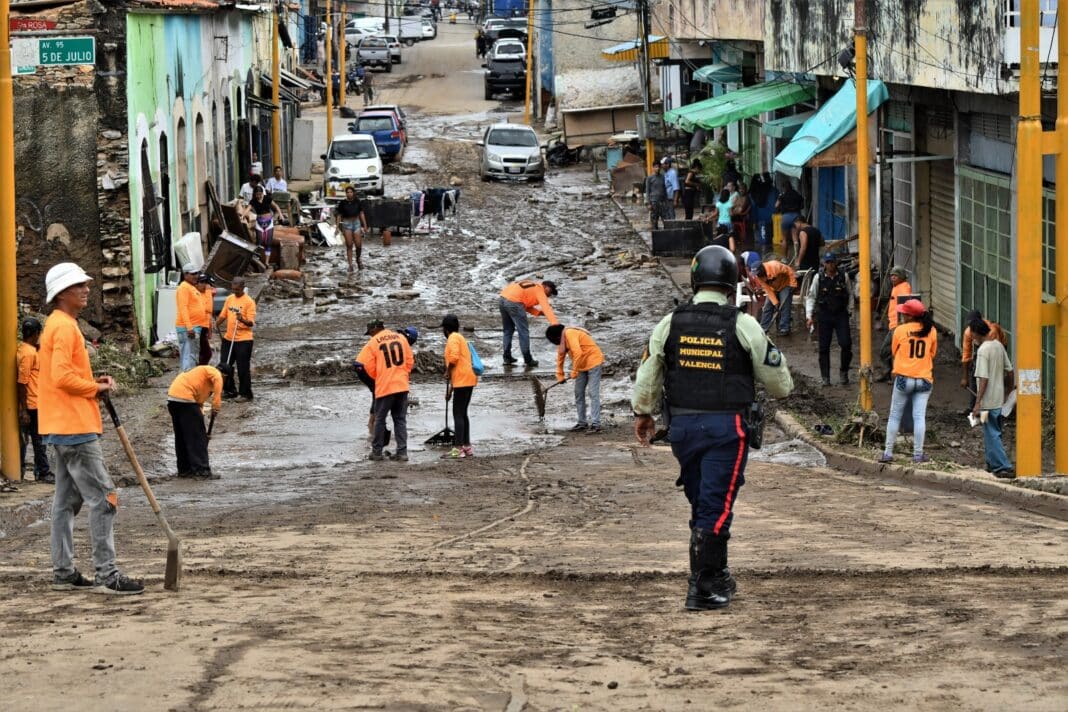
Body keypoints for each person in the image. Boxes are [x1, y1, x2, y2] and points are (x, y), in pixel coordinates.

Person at [632, 245, 793, 611]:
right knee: (716, 506)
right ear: (730, 281)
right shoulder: (743, 324)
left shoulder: (670, 322)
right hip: (726, 429)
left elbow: (648, 375)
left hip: (683, 429)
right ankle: (703, 588)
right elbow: (781, 384)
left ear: (694, 278)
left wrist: (643, 414)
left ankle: (716, 575)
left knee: (703, 502)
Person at [38, 262, 144, 595]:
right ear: (62, 294)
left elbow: (65, 375)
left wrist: (91, 382)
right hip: (75, 427)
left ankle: (64, 572)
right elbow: (60, 377)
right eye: (80, 286)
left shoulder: (58, 325)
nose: (87, 289)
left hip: (61, 426)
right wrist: (93, 389)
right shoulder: (64, 327)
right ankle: (107, 573)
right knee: (104, 499)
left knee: (65, 503)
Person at [880, 299, 937, 464]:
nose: (901, 314)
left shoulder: (900, 330)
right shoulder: (931, 330)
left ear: (909, 316)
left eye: (904, 312)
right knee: (919, 417)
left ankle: (888, 453)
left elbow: (893, 351)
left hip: (904, 378)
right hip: (925, 379)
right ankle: (918, 455)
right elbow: (932, 354)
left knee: (894, 416)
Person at [357, 319, 414, 461]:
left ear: (375, 329)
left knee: (380, 419)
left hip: (385, 387)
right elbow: (410, 361)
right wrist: (401, 374)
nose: (370, 335)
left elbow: (363, 364)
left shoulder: (373, 342)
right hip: (402, 385)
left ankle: (377, 452)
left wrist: (379, 377)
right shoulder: (401, 337)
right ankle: (402, 452)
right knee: (400, 420)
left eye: (370, 332)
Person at [167, 364, 231, 479]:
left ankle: (185, 470)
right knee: (197, 437)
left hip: (173, 399)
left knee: (182, 437)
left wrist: (200, 416)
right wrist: (216, 405)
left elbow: (198, 402)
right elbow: (218, 378)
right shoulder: (215, 372)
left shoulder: (202, 376)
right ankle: (202, 471)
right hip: (185, 399)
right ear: (224, 376)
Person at [970, 319, 1015, 479]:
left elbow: (983, 378)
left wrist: (977, 403)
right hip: (998, 400)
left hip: (986, 402)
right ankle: (991, 463)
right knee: (994, 431)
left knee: (991, 433)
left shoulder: (983, 350)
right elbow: (1009, 371)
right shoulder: (998, 345)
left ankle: (1003, 466)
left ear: (976, 333)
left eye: (971, 333)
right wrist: (1009, 390)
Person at [805, 253, 854, 386]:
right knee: (824, 347)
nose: (830, 265)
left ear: (836, 262)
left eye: (832, 262)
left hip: (841, 315)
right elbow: (811, 297)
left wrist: (850, 311)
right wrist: (809, 316)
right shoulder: (818, 278)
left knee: (846, 344)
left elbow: (850, 295)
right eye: (827, 262)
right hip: (825, 315)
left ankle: (844, 372)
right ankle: (825, 377)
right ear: (824, 264)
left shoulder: (844, 276)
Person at [546, 324, 604, 433]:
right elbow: (560, 357)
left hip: (594, 362)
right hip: (582, 366)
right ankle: (582, 422)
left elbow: (577, 352)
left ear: (557, 338)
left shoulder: (570, 333)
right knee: (578, 393)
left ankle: (596, 424)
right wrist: (560, 375)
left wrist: (574, 370)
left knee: (593, 393)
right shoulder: (563, 340)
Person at [17, 317, 54, 484]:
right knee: (38, 441)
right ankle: (43, 472)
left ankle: (21, 471)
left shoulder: (26, 350)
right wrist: (24, 409)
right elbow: (22, 383)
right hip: (32, 404)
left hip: (33, 402)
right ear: (37, 333)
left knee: (27, 440)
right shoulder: (28, 354)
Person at [499, 279, 559, 367]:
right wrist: (556, 326)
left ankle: (507, 358)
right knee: (523, 332)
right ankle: (528, 359)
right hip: (514, 302)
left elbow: (523, 304)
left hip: (502, 299)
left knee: (508, 330)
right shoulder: (540, 290)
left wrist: (537, 313)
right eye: (551, 292)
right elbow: (547, 308)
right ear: (546, 287)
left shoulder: (532, 286)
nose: (549, 295)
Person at [442, 314, 478, 459]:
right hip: (467, 379)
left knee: (458, 413)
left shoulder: (452, 338)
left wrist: (446, 371)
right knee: (463, 413)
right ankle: (467, 446)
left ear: (445, 329)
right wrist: (451, 390)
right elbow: (460, 365)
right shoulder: (461, 338)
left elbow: (454, 358)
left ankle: (458, 449)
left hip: (462, 381)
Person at [216, 277, 256, 402]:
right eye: (233, 289)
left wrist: (242, 319)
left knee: (242, 367)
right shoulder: (229, 299)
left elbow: (251, 323)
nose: (235, 292)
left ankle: (245, 394)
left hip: (244, 340)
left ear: (243, 287)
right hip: (229, 338)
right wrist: (215, 324)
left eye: (237, 290)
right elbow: (223, 314)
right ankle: (229, 390)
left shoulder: (249, 302)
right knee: (225, 365)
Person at [960, 310, 1008, 411]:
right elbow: (966, 354)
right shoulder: (969, 332)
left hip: (998, 346)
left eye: (973, 327)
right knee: (976, 373)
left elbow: (995, 349)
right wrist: (965, 378)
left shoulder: (992, 330)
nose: (971, 330)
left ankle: (993, 404)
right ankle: (973, 406)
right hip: (981, 345)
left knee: (991, 375)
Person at [879, 267, 913, 379]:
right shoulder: (898, 287)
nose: (892, 277)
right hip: (894, 324)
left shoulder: (903, 288)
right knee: (889, 352)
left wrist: (900, 325)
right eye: (891, 275)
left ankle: (893, 376)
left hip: (898, 326)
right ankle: (888, 374)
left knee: (887, 351)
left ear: (902, 277)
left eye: (896, 275)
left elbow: (904, 306)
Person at [754, 260, 798, 335]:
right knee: (768, 306)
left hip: (785, 284)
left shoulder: (775, 266)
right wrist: (775, 302)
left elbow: (789, 271)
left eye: (759, 274)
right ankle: (764, 328)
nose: (758, 276)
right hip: (773, 288)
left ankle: (784, 328)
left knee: (785, 305)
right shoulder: (758, 277)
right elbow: (767, 289)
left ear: (762, 269)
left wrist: (792, 284)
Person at [335, 186, 367, 273]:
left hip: (356, 223)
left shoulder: (357, 201)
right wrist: (337, 227)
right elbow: (339, 215)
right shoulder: (343, 203)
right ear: (346, 193)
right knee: (349, 245)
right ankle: (350, 265)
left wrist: (365, 225)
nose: (349, 193)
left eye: (351, 192)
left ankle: (358, 259)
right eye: (347, 192)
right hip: (347, 224)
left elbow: (361, 213)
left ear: (353, 193)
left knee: (358, 245)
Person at [248, 185, 283, 263]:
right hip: (259, 223)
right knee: (259, 242)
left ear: (262, 193)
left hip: (269, 223)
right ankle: (258, 260)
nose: (259, 196)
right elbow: (248, 209)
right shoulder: (253, 201)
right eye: (257, 194)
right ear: (254, 194)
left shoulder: (267, 198)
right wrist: (243, 215)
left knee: (268, 243)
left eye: (260, 194)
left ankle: (266, 262)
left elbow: (276, 206)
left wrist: (280, 214)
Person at [176, 269, 201, 372]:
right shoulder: (184, 288)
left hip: (193, 326)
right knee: (188, 357)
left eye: (197, 273)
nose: (196, 276)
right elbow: (183, 308)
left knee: (191, 356)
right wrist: (189, 327)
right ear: (185, 275)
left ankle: (189, 381)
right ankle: (187, 382)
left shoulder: (190, 287)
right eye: (193, 274)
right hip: (188, 328)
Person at [774, 181, 804, 259]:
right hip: (796, 217)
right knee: (795, 238)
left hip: (786, 217)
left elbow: (776, 205)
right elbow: (802, 206)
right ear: (791, 186)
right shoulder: (797, 195)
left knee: (784, 239)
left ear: (784, 187)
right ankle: (797, 256)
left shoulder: (782, 195)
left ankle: (784, 258)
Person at [195, 274, 215, 366]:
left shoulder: (205, 294)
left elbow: (209, 315)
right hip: (198, 327)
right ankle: (200, 371)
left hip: (204, 328)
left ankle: (200, 371)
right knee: (206, 354)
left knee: (204, 354)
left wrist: (210, 331)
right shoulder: (197, 294)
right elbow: (208, 309)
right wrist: (208, 292)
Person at [645, 162, 669, 230]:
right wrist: (648, 203)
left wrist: (666, 201)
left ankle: (666, 235)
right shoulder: (649, 178)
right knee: (654, 220)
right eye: (655, 167)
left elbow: (664, 189)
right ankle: (655, 234)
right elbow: (647, 191)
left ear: (660, 168)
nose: (657, 168)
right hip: (654, 202)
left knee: (665, 219)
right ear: (653, 168)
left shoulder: (663, 177)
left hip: (662, 202)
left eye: (658, 167)